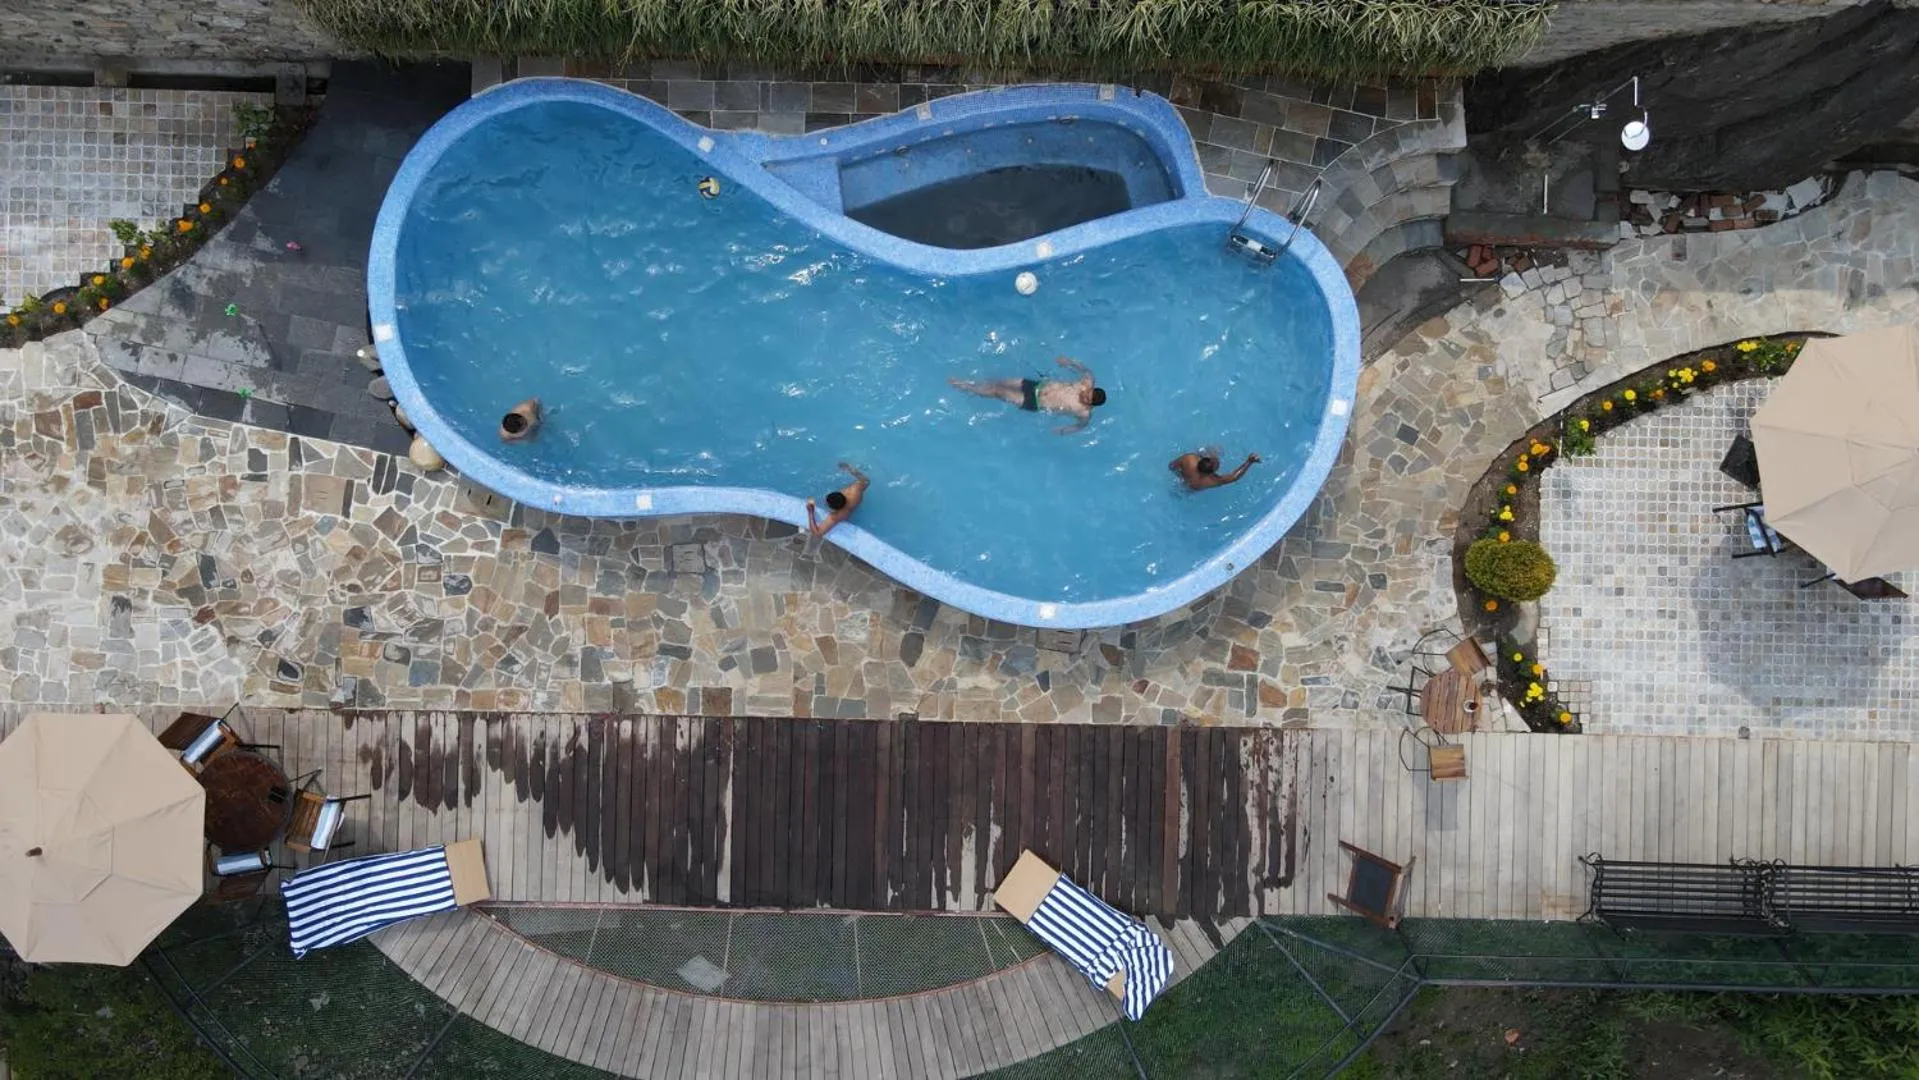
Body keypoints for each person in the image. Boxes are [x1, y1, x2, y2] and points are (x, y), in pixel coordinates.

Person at [949, 356, 1107, 434]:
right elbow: (1085, 370)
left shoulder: (1083, 412)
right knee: (1002, 382)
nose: (1084, 395)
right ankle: (973, 382)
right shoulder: (1087, 381)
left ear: (1091, 404)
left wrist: (1063, 430)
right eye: (1087, 393)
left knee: (998, 392)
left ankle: (964, 387)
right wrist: (1067, 362)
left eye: (1087, 399)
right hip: (1037, 386)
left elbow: (1080, 426)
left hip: (1035, 403)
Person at [806, 462, 869, 537]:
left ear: (834, 509)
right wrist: (849, 469)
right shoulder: (854, 490)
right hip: (855, 501)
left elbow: (817, 533)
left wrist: (810, 512)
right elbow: (866, 481)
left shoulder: (838, 515)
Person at [1170, 448, 1260, 490]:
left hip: (1184, 478)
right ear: (1211, 473)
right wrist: (1249, 462)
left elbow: (1172, 466)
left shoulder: (1189, 459)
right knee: (1216, 450)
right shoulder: (1212, 480)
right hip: (1193, 489)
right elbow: (1234, 477)